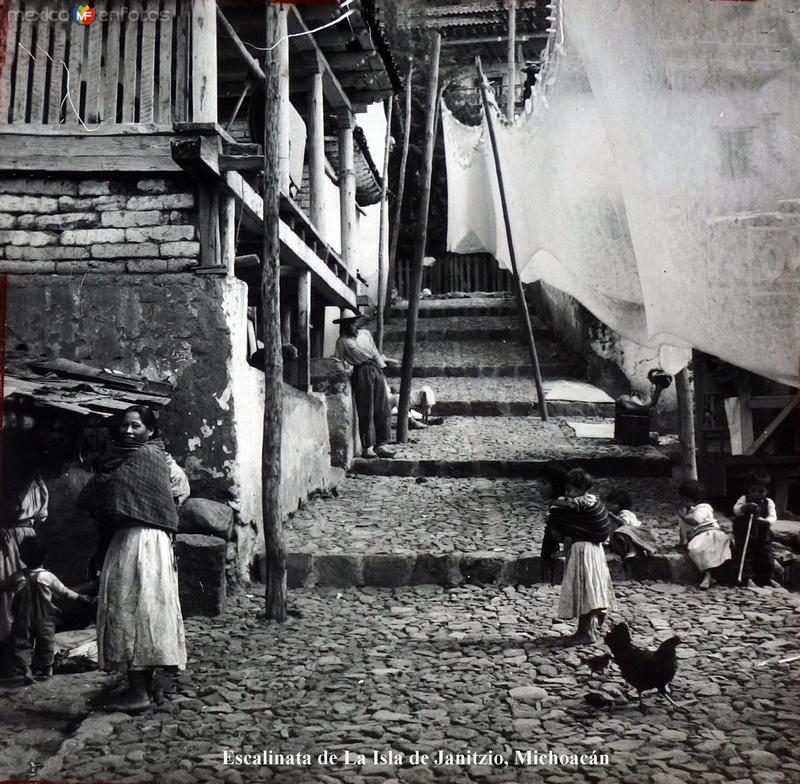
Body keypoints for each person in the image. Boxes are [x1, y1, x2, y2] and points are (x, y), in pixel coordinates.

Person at [78, 405, 187, 713]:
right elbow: (97, 500)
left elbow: (179, 491)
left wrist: (152, 509)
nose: (128, 431)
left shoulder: (158, 459)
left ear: (150, 431)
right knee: (132, 609)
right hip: (124, 540)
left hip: (145, 541)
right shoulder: (113, 461)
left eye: (136, 426)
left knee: (140, 610)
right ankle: (142, 688)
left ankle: (139, 692)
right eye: (125, 425)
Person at [0, 538, 92, 683]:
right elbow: (64, 592)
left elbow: (3, 586)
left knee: (22, 643)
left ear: (21, 557)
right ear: (45, 557)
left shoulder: (17, 577)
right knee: (46, 642)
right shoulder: (48, 577)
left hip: (22, 617)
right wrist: (80, 598)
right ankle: (46, 669)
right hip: (44, 618)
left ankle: (26, 670)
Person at [546, 468, 615, 646]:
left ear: (579, 489)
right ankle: (593, 620)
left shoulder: (578, 503)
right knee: (592, 586)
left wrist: (553, 507)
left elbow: (565, 526)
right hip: (595, 549)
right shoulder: (592, 500)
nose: (567, 494)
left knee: (584, 589)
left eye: (569, 490)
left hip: (582, 550)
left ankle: (586, 632)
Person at [334, 308, 396, 459]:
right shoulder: (342, 342)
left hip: (375, 368)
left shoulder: (365, 335)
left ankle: (381, 444)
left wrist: (382, 367)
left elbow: (374, 352)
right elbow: (339, 361)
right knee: (366, 408)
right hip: (360, 371)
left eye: (352, 322)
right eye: (347, 323)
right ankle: (367, 446)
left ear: (356, 322)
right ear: (342, 325)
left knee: (382, 406)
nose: (351, 325)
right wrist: (345, 373)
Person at [677, 480, 731, 590]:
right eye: (682, 500)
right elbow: (682, 529)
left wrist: (682, 516)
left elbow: (695, 521)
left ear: (696, 500)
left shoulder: (702, 508)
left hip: (709, 533)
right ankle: (708, 574)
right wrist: (682, 542)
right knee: (695, 549)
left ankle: (708, 576)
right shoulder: (686, 513)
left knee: (705, 548)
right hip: (696, 536)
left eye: (687, 500)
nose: (684, 503)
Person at [732, 471, 777, 588]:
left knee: (766, 555)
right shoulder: (744, 499)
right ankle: (747, 579)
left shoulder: (769, 502)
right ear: (748, 489)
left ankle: (767, 578)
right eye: (753, 491)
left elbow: (773, 516)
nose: (756, 494)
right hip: (745, 531)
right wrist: (744, 508)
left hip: (762, 532)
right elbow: (736, 510)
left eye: (761, 491)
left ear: (767, 491)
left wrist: (765, 521)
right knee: (746, 554)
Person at [605, 488, 658, 561]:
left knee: (622, 530)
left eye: (613, 504)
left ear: (621, 505)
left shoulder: (625, 513)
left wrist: (612, 516)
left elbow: (624, 524)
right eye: (609, 503)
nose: (609, 506)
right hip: (622, 543)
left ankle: (633, 550)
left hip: (635, 540)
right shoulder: (613, 518)